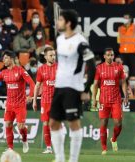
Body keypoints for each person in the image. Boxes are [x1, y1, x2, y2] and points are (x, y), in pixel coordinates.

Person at [50, 10, 95, 162]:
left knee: (73, 123)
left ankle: (73, 159)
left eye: (61, 20)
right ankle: (59, 158)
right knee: (53, 123)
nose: (58, 22)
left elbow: (92, 65)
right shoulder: (59, 39)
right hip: (59, 87)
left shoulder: (81, 42)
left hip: (73, 88)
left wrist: (86, 89)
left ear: (68, 23)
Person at [0, 50, 35, 152]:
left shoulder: (21, 71)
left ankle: (25, 141)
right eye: (3, 59)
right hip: (9, 104)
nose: (4, 61)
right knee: (8, 124)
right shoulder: (4, 73)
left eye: (5, 58)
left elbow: (32, 83)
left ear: (11, 59)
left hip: (20, 104)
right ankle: (10, 148)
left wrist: (30, 96)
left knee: (21, 127)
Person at [92, 48, 128, 155]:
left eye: (112, 55)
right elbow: (95, 85)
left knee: (118, 123)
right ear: (104, 56)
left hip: (116, 100)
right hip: (104, 100)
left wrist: (125, 96)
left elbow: (123, 83)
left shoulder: (119, 67)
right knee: (104, 122)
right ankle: (104, 148)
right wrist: (94, 98)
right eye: (108, 55)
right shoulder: (99, 68)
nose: (110, 57)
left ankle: (114, 139)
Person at [32, 46, 57, 154]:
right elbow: (37, 86)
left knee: (56, 123)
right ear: (46, 57)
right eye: (51, 55)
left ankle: (58, 146)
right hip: (45, 100)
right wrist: (34, 100)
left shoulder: (60, 68)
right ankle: (48, 147)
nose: (53, 57)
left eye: (54, 55)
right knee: (46, 123)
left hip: (57, 100)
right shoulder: (41, 69)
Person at [117, 13, 135, 78]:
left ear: (130, 19)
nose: (125, 19)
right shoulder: (120, 28)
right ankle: (124, 86)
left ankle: (133, 87)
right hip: (122, 53)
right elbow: (118, 41)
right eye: (124, 18)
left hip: (132, 52)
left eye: (126, 18)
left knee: (133, 71)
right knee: (123, 71)